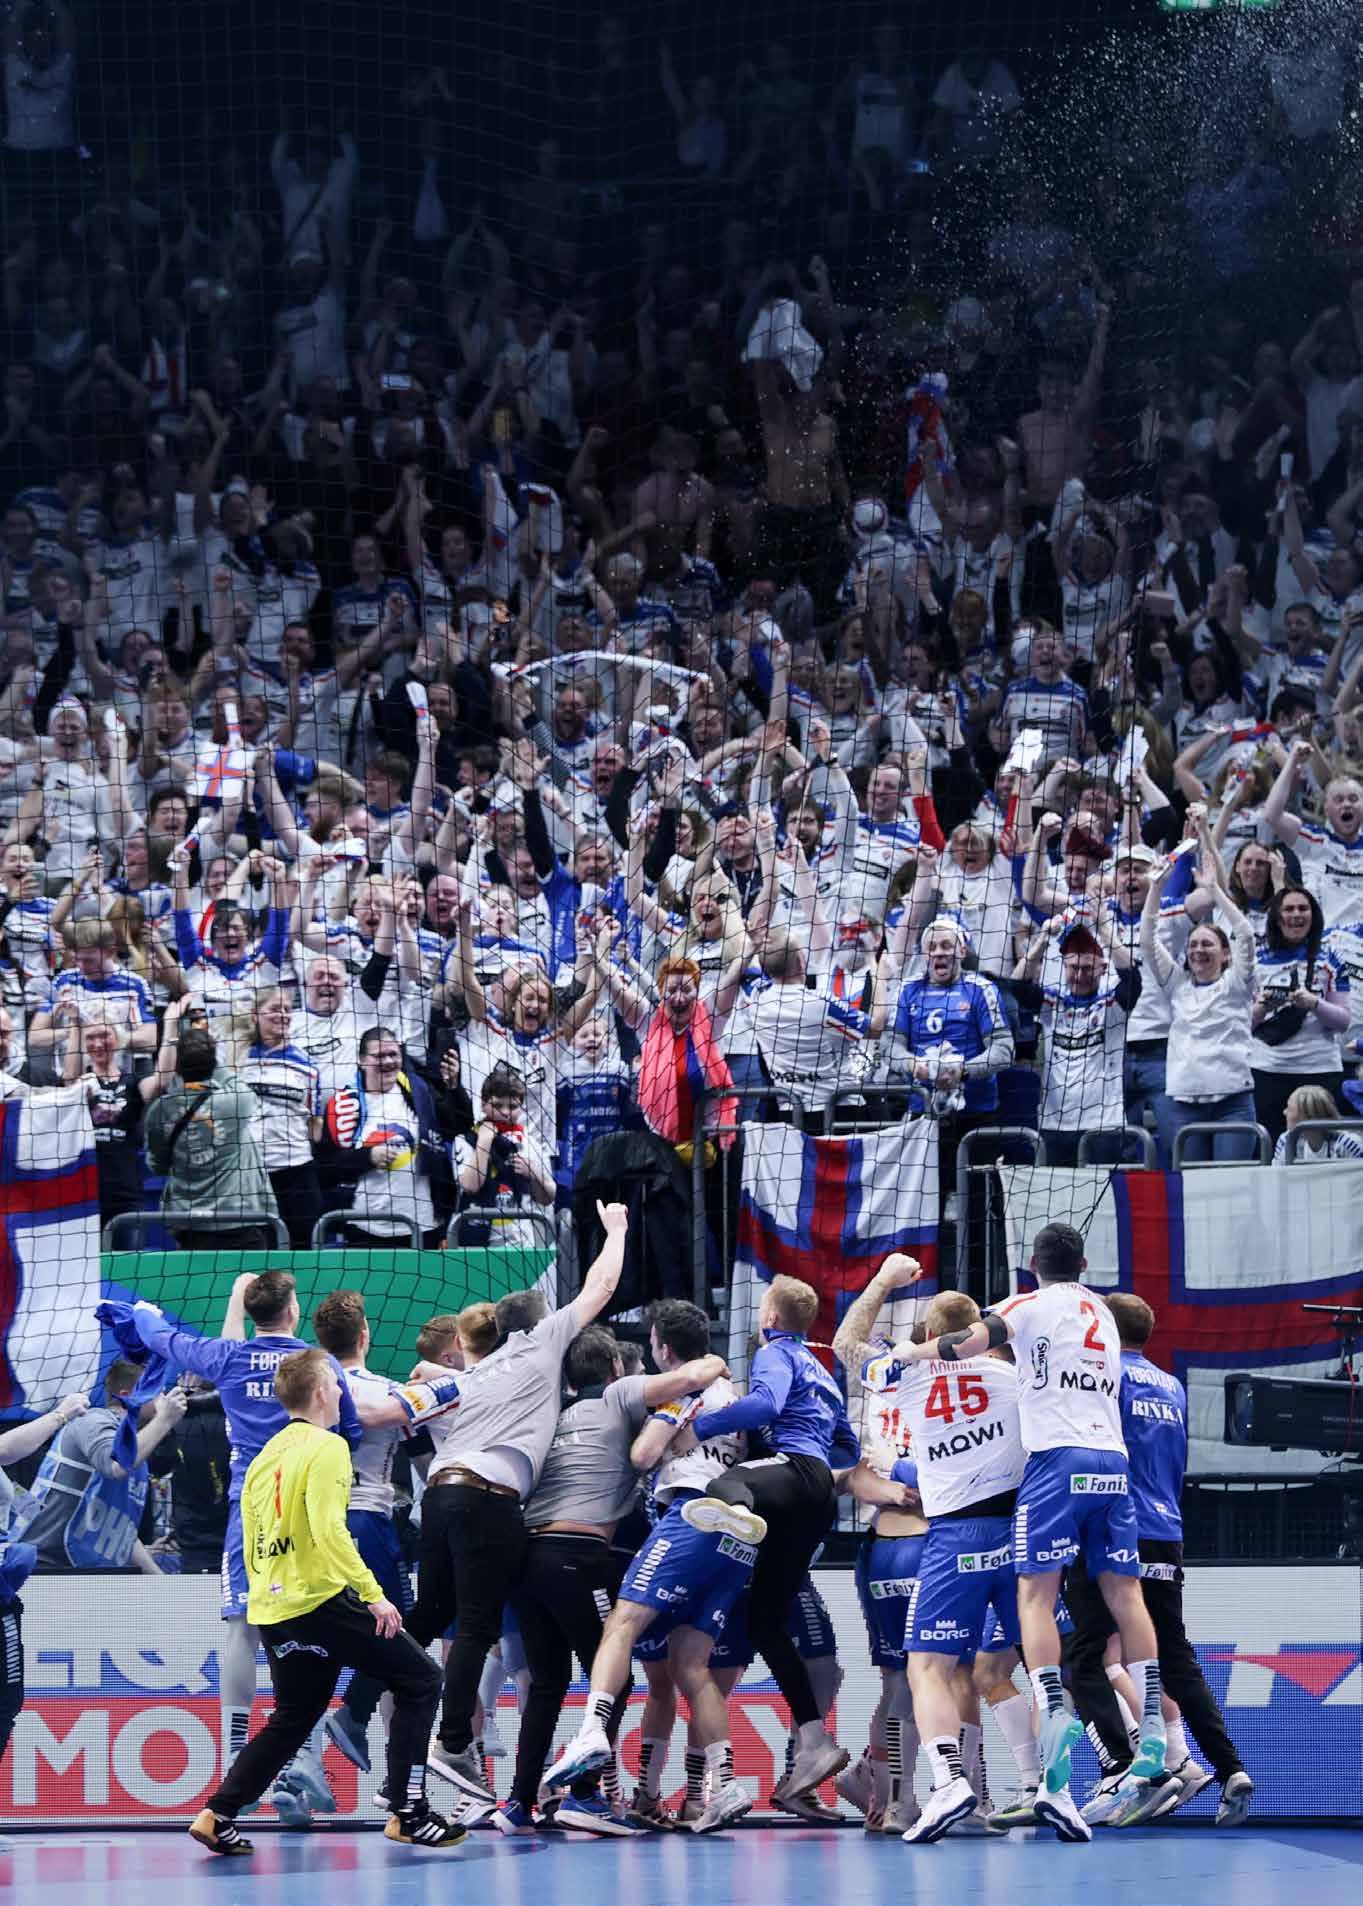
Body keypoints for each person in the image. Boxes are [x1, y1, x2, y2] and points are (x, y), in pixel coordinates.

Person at [884, 1223, 1168, 1843]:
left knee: (1032, 1597)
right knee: (1126, 1595)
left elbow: (964, 1344)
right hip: (1112, 1462)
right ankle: (1153, 1727)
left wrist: (911, 1353)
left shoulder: (1024, 1306)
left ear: (1031, 1264)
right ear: (1084, 1264)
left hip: (1051, 1467)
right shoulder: (1103, 1311)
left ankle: (1052, 1710)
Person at [397, 1203, 633, 1806]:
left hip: (456, 1507)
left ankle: (503, 1793)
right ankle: (469, 1748)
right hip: (509, 1514)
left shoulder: (479, 1375)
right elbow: (602, 1286)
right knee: (502, 1637)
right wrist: (616, 1230)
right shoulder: (547, 1350)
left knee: (450, 1626)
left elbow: (408, 1398)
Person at [188, 1348, 464, 1857]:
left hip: (273, 1605)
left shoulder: (264, 1455)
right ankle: (409, 1811)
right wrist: (374, 1596)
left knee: (296, 1712)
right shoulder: (329, 1446)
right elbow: (329, 1530)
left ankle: (218, 1813)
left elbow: (252, 1537)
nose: (340, 1393)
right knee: (422, 1678)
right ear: (319, 1392)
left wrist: (266, 1597)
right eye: (335, 1386)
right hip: (318, 1599)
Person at [122, 1269, 371, 1825]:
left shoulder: (227, 1358)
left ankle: (239, 1752)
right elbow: (350, 1431)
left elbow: (162, 1337)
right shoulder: (316, 1365)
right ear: (293, 1311)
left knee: (243, 1623)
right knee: (312, 1618)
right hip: (307, 1501)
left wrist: (141, 1310)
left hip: (253, 1506)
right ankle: (303, 1755)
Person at [494, 1323, 729, 1837]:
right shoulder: (619, 1396)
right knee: (613, 1676)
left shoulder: (553, 1411)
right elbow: (691, 1378)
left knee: (547, 1685)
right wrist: (716, 1364)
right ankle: (584, 1796)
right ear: (616, 1368)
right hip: (577, 1556)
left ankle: (518, 1803)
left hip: (526, 1559)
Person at [1062, 1294, 1253, 1830]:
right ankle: (1229, 1768)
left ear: (1105, 1329)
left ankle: (1127, 1773)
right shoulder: (1172, 1386)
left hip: (1115, 1526)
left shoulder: (1105, 1378)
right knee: (1174, 1657)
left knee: (1084, 1653)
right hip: (1167, 1530)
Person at [861, 1278, 1027, 1842]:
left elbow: (851, 1351)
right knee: (1027, 1668)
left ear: (929, 1335)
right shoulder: (1009, 1377)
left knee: (920, 1670)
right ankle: (1033, 1786)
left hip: (938, 1538)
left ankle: (930, 1790)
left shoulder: (902, 1379)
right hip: (1005, 1532)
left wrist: (894, 1473)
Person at [688, 1273, 861, 1800]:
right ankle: (814, 1740)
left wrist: (702, 1425)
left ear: (769, 1319)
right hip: (820, 1496)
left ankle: (738, 1517)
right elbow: (848, 1447)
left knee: (726, 1483)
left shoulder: (776, 1352)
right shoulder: (823, 1370)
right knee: (765, 1623)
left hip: (793, 1473)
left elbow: (764, 1406)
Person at [1140, 857, 1261, 1162]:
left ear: (1225, 954)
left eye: (1207, 945)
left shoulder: (1237, 983)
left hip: (1233, 1102)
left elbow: (1245, 934)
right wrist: (1155, 888)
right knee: (1191, 1185)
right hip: (1184, 1105)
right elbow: (1147, 942)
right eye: (1193, 945)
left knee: (1231, 1183)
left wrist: (1215, 891)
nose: (1197, 950)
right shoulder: (1176, 984)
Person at [15, 1360, 186, 1574]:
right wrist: (164, 1420)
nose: (164, 1398)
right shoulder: (93, 1421)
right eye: (155, 1391)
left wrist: (160, 1581)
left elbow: (122, 1531)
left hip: (84, 1569)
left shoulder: (137, 1449)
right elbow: (117, 1465)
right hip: (43, 1566)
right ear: (127, 1397)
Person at [144, 1021, 280, 1247]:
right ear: (214, 1060)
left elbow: (157, 1166)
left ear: (178, 1066)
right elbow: (229, 1076)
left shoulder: (159, 1110)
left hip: (189, 1223)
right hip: (240, 1218)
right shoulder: (237, 1099)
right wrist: (208, 1051)